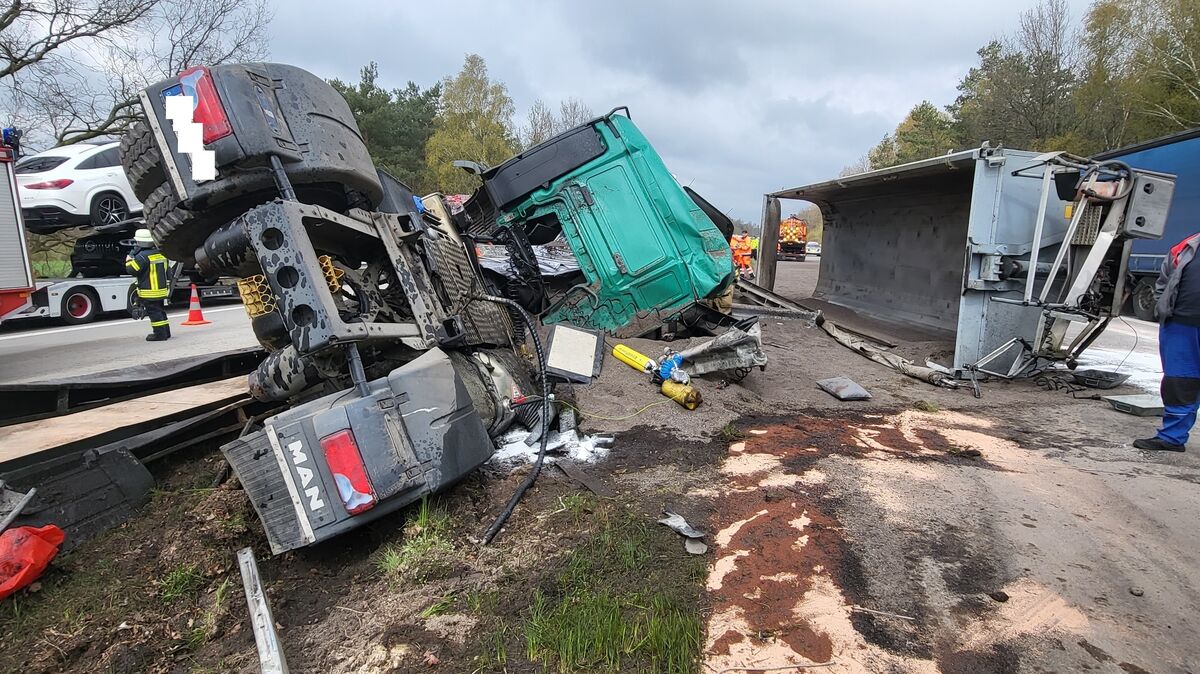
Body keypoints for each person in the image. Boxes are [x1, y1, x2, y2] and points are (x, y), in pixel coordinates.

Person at [1134, 232, 1200, 451]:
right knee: (1179, 381)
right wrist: (1161, 306)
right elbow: (1164, 280)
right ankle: (1172, 437)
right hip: (1180, 324)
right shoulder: (1187, 245)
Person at [125, 229, 172, 341]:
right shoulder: (161, 254)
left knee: (154, 313)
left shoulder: (142, 257)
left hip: (149, 291)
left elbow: (132, 270)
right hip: (161, 290)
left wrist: (129, 260)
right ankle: (166, 332)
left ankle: (159, 335)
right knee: (160, 311)